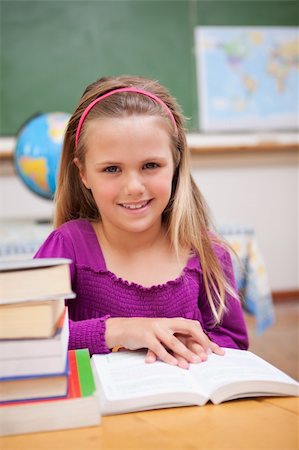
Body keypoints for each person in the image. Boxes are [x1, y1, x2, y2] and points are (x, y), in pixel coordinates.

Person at [35, 75, 248, 369]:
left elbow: (233, 341)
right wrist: (118, 330)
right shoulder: (67, 246)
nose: (133, 187)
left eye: (150, 165)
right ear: (83, 173)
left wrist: (199, 346)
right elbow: (26, 339)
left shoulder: (208, 252)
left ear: (175, 164)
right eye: (112, 169)